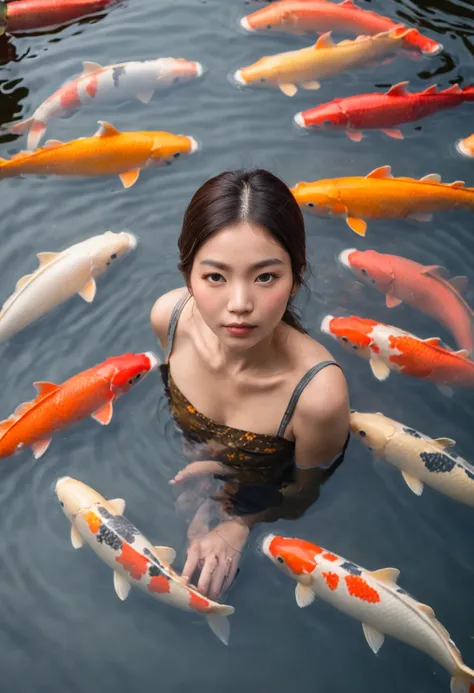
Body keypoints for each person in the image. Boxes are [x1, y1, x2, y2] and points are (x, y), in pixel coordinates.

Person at [151, 169, 350, 602]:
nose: (240, 305)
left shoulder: (317, 395)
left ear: (296, 278)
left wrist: (239, 523)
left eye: (265, 277)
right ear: (188, 276)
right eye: (215, 277)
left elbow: (304, 491)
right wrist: (208, 471)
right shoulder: (169, 320)